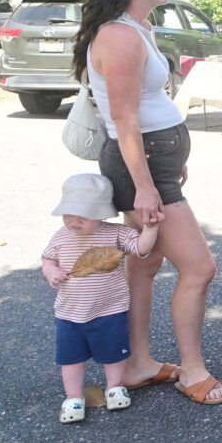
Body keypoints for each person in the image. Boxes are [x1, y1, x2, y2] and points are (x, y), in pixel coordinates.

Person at [71, 0, 222, 405]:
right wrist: (144, 186)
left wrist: (167, 165)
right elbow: (124, 120)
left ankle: (136, 363)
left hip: (154, 162)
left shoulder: (137, 28)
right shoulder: (118, 35)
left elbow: (145, 108)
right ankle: (192, 370)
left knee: (144, 265)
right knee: (199, 267)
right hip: (140, 167)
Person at [42, 174, 159, 423]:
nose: (74, 220)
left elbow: (141, 249)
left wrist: (150, 228)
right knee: (70, 358)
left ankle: (114, 386)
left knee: (113, 353)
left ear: (103, 214)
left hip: (109, 309)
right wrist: (51, 272)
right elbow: (47, 258)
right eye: (69, 213)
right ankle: (73, 396)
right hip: (69, 314)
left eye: (84, 215)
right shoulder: (60, 237)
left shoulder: (116, 234)